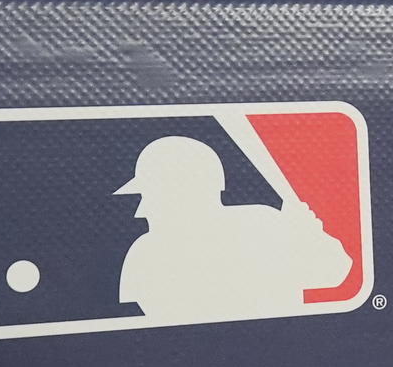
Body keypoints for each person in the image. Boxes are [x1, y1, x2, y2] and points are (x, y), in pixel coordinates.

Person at [114, 136, 351, 321]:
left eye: (151, 197)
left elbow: (336, 272)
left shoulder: (264, 223)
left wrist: (307, 236)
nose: (141, 211)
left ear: (187, 193)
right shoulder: (147, 254)